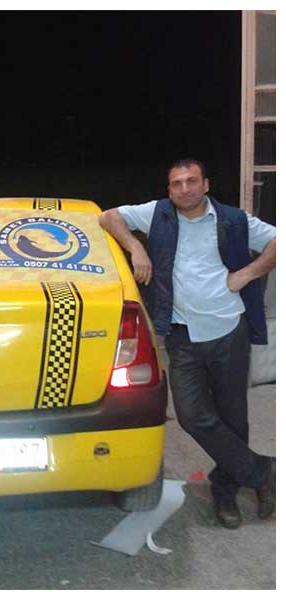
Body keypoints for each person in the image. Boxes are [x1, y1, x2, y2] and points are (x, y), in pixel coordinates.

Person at [99, 158, 276, 529]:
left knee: (232, 418)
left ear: (205, 184)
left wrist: (247, 273)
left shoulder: (233, 220)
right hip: (182, 336)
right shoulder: (157, 215)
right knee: (192, 416)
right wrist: (136, 249)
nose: (184, 188)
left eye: (191, 181)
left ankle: (225, 492)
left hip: (229, 331)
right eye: (176, 183)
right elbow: (108, 217)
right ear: (169, 189)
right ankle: (262, 473)